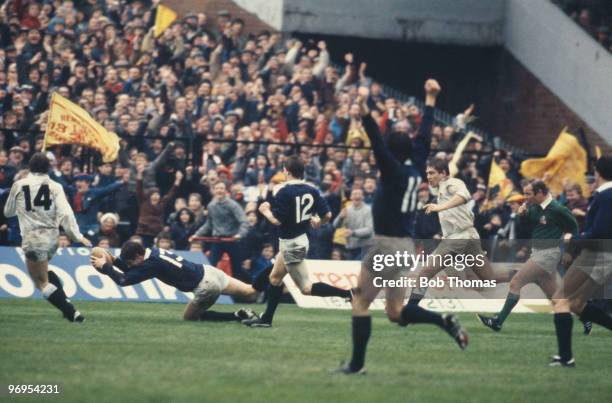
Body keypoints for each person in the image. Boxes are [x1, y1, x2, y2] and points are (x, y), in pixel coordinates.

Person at [337, 81, 467, 375]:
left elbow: (375, 140)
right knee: (395, 313)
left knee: (360, 301)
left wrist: (365, 110)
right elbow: (424, 135)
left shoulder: (393, 170)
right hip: (405, 248)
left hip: (384, 245)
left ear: (392, 154)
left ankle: (356, 366)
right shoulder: (416, 164)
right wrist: (431, 99)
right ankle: (443, 320)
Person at [243, 155, 352, 327]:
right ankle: (266, 319)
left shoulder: (284, 191)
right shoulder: (312, 190)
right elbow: (328, 215)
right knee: (275, 278)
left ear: (286, 171)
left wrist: (265, 211)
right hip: (298, 240)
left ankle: (348, 294)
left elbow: (277, 220)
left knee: (305, 288)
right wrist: (319, 222)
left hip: (291, 243)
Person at [408, 158, 514, 305]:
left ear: (444, 173)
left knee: (426, 272)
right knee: (489, 278)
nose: (429, 176)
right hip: (468, 236)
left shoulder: (452, 183)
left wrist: (440, 207)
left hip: (458, 238)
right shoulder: (441, 188)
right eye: (427, 173)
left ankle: (410, 309)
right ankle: (524, 275)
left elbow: (464, 196)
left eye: (432, 173)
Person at [477, 180, 580, 331]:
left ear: (540, 193)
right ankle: (586, 316)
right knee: (555, 297)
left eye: (528, 194)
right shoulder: (534, 208)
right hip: (537, 252)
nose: (525, 197)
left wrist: (570, 251)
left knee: (515, 283)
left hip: (548, 254)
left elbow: (574, 228)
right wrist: (521, 215)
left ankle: (497, 321)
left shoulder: (558, 209)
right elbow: (524, 226)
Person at [3, 153, 92, 322]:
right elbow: (66, 214)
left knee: (41, 283)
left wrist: (21, 204)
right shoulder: (56, 186)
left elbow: (8, 211)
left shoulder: (19, 184)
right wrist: (77, 236)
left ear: (29, 167)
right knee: (45, 273)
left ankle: (73, 313)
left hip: (32, 237)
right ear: (48, 168)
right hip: (52, 238)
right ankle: (66, 306)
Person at [90, 240, 259, 323]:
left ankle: (237, 315)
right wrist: (113, 260)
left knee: (190, 319)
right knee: (251, 290)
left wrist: (106, 267)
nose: (129, 265)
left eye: (129, 262)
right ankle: (277, 276)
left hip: (206, 286)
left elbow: (123, 280)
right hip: (210, 272)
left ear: (138, 256)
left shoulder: (151, 264)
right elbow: (133, 269)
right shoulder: (152, 252)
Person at [550, 156, 612, 368]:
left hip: (596, 254)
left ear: (597, 171)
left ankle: (566, 358)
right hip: (605, 255)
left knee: (560, 299)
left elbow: (600, 233)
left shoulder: (605, 196)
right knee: (576, 304)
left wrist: (573, 239)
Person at [191, 181, 249, 281]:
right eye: (217, 188)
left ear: (225, 190)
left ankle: (246, 289)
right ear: (214, 190)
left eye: (222, 188)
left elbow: (244, 221)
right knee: (210, 265)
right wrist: (196, 235)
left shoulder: (233, 205)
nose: (219, 190)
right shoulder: (211, 206)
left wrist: (240, 234)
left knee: (237, 269)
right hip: (217, 240)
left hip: (231, 240)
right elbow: (208, 224)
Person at [332, 188, 373, 260]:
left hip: (365, 248)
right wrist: (340, 218)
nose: (357, 196)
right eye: (354, 194)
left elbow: (369, 230)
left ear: (363, 197)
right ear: (351, 197)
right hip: (350, 248)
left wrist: (353, 233)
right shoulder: (347, 209)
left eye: (359, 194)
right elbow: (335, 226)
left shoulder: (368, 210)